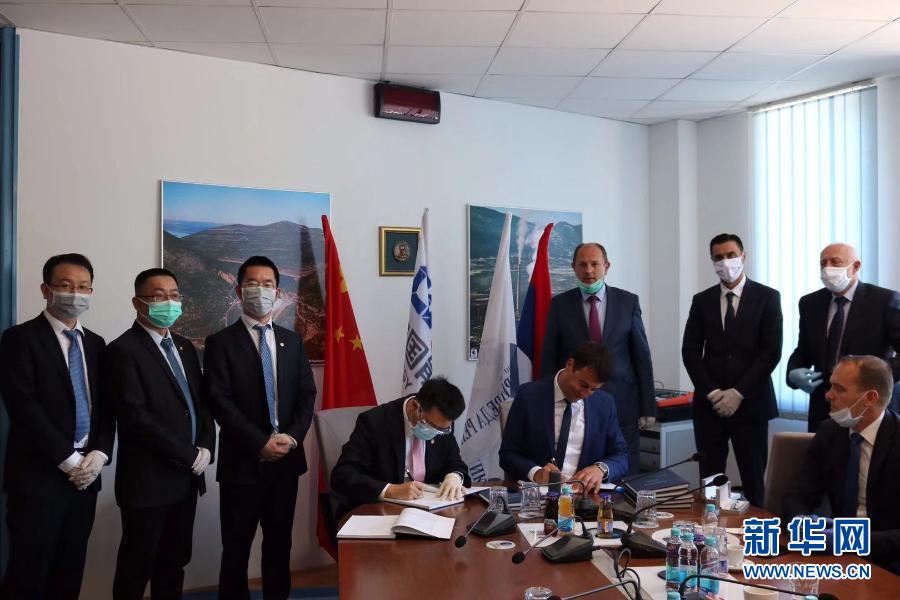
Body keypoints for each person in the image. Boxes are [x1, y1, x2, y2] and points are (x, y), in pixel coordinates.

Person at [0, 253, 114, 600]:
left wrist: (100, 453)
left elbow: (106, 408)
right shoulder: (19, 338)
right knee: (28, 574)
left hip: (86, 479)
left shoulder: (96, 344)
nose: (75, 293)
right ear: (46, 290)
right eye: (65, 285)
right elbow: (24, 407)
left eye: (83, 286)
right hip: (38, 477)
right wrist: (69, 460)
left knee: (70, 569)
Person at [204, 256, 316, 600]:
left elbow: (306, 395)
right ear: (239, 291)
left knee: (279, 547)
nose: (261, 290)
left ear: (278, 292)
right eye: (252, 283)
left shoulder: (292, 341)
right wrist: (259, 443)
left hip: (286, 463)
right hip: (242, 464)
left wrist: (292, 437)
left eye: (268, 284)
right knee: (236, 550)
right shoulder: (220, 343)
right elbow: (220, 401)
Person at [106, 267, 215, 600]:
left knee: (174, 563)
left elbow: (201, 404)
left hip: (186, 479)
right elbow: (135, 416)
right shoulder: (122, 350)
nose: (169, 302)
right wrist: (188, 454)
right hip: (148, 482)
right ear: (138, 303)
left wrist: (206, 446)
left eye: (174, 296)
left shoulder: (184, 346)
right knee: (136, 567)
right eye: (159, 296)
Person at [681, 234, 782, 507]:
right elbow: (690, 352)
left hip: (751, 403)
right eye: (719, 257)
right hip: (709, 407)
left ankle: (758, 530)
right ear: (712, 261)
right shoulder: (702, 300)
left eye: (731, 255)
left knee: (754, 480)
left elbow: (770, 352)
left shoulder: (767, 297)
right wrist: (713, 392)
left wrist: (738, 393)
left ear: (743, 256)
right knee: (710, 482)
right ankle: (710, 528)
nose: (725, 262)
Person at [541, 242, 655, 475]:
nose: (589, 270)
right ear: (573, 267)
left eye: (595, 264)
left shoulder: (628, 302)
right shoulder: (560, 305)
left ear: (607, 266)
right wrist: (547, 401)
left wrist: (648, 406)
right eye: (582, 265)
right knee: (581, 473)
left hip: (623, 404)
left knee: (625, 473)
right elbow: (550, 358)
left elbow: (641, 357)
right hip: (575, 404)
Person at [783, 355, 900, 575]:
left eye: (839, 389)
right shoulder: (830, 432)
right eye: (830, 386)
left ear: (870, 397)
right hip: (835, 558)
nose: (828, 395)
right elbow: (797, 495)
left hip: (888, 563)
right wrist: (801, 522)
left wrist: (848, 539)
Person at [786, 243, 900, 432]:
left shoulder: (884, 300)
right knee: (823, 451)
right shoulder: (810, 303)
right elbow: (804, 349)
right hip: (824, 405)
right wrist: (793, 372)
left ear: (855, 266)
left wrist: (873, 376)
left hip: (869, 405)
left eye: (835, 262)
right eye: (823, 263)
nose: (827, 268)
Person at [330, 376, 471, 517]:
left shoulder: (442, 424)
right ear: (416, 407)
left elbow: (455, 462)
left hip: (428, 513)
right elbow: (343, 475)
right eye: (430, 425)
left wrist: (454, 477)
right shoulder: (374, 422)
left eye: (442, 429)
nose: (435, 432)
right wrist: (390, 490)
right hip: (378, 512)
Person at [500, 341, 629, 493]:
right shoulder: (529, 395)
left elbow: (621, 455)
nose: (585, 394)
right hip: (537, 495)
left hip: (584, 496)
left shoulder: (604, 404)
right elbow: (507, 454)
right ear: (570, 364)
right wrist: (536, 473)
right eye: (583, 385)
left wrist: (601, 469)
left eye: (593, 389)